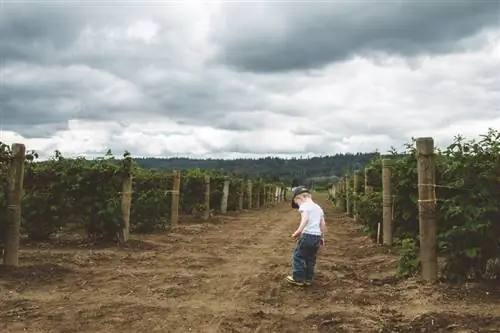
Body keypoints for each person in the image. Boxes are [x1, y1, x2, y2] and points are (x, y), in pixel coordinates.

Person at [285, 186, 326, 286]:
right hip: (316, 236)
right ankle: (308, 279)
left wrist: (298, 231)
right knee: (311, 258)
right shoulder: (318, 208)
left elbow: (305, 219)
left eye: (297, 203)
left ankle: (298, 278)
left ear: (300, 198)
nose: (298, 206)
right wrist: (322, 237)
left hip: (307, 235)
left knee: (298, 256)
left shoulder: (304, 206)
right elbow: (323, 224)